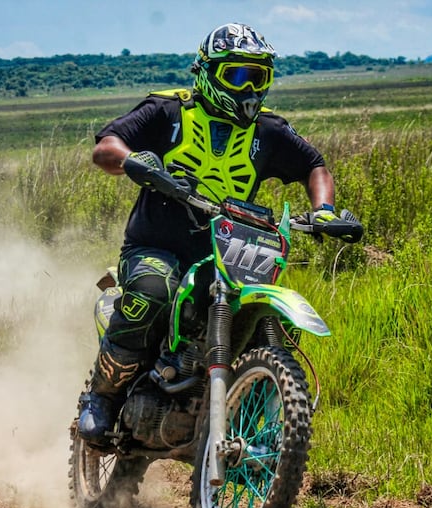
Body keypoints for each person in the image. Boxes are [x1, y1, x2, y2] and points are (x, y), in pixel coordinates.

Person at [77, 22, 361, 446]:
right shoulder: (168, 111)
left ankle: (253, 417)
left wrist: (323, 212)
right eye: (237, 76)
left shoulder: (269, 131)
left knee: (267, 320)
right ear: (208, 73)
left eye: (258, 77)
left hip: (228, 251)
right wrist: (137, 162)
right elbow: (106, 147)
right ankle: (101, 398)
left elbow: (314, 166)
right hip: (157, 245)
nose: (249, 88)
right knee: (153, 293)